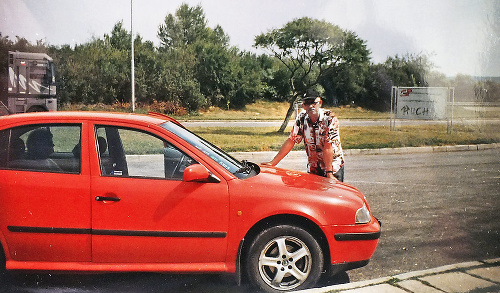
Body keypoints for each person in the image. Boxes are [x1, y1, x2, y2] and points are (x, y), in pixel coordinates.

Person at [262, 95, 345, 181]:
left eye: (313, 103)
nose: (310, 106)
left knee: (332, 193)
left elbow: (328, 146)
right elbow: (291, 140)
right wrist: (273, 163)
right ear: (303, 106)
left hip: (333, 167)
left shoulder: (330, 118)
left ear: (320, 103)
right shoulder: (302, 118)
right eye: (307, 103)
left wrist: (329, 173)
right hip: (314, 168)